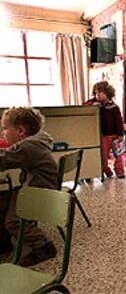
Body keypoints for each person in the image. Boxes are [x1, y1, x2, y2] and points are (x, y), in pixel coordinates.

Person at [0, 107, 59, 266]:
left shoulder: (29, 147)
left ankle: (43, 246)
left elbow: (3, 160)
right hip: (38, 188)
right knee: (2, 201)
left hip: (39, 193)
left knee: (13, 221)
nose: (3, 133)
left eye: (5, 129)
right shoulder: (36, 142)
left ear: (20, 130)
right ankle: (5, 241)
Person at [94, 81, 125, 178]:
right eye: (95, 93)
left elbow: (119, 121)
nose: (97, 95)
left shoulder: (114, 107)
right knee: (103, 155)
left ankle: (119, 171)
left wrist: (120, 134)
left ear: (107, 93)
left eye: (100, 92)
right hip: (104, 136)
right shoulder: (96, 106)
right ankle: (106, 170)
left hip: (114, 135)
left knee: (118, 155)